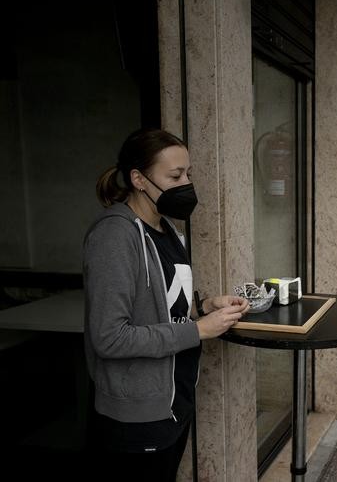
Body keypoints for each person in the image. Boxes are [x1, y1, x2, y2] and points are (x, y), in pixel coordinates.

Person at [84, 129, 249, 482]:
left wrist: (203, 306)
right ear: (139, 179)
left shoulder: (169, 230)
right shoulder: (115, 237)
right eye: (174, 176)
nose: (185, 183)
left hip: (175, 400)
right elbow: (109, 337)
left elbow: (166, 308)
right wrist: (198, 330)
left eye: (188, 174)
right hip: (137, 416)